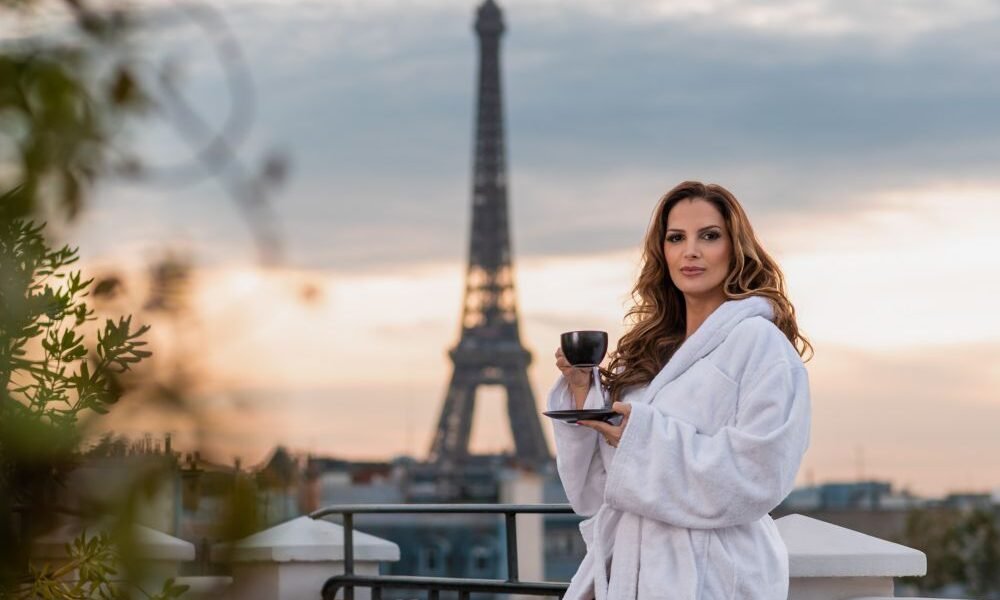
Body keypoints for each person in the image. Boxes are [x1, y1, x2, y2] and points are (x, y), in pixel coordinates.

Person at [549, 180, 813, 600]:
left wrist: (643, 438)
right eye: (676, 238)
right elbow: (600, 491)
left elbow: (762, 474)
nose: (690, 251)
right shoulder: (648, 353)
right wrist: (584, 392)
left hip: (710, 576)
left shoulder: (760, 345)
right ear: (662, 252)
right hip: (632, 570)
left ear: (735, 249)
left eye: (709, 236)